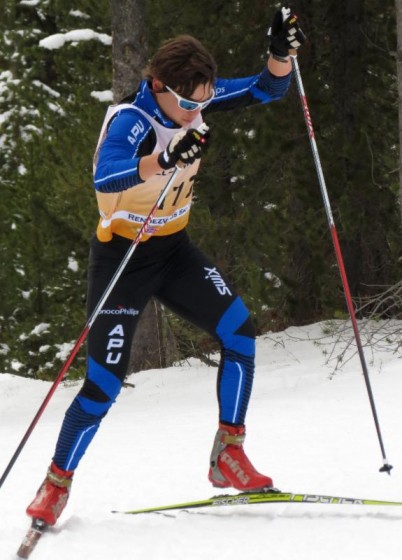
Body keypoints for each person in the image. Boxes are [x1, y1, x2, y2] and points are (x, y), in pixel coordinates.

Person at [26, 7, 305, 526]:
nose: (197, 112)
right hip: (122, 260)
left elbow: (268, 89)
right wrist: (165, 159)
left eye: (204, 101)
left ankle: (228, 452)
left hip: (173, 251)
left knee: (240, 332)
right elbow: (106, 178)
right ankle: (56, 484)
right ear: (157, 86)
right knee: (104, 385)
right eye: (187, 104)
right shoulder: (130, 121)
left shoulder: (193, 101)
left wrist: (280, 54)